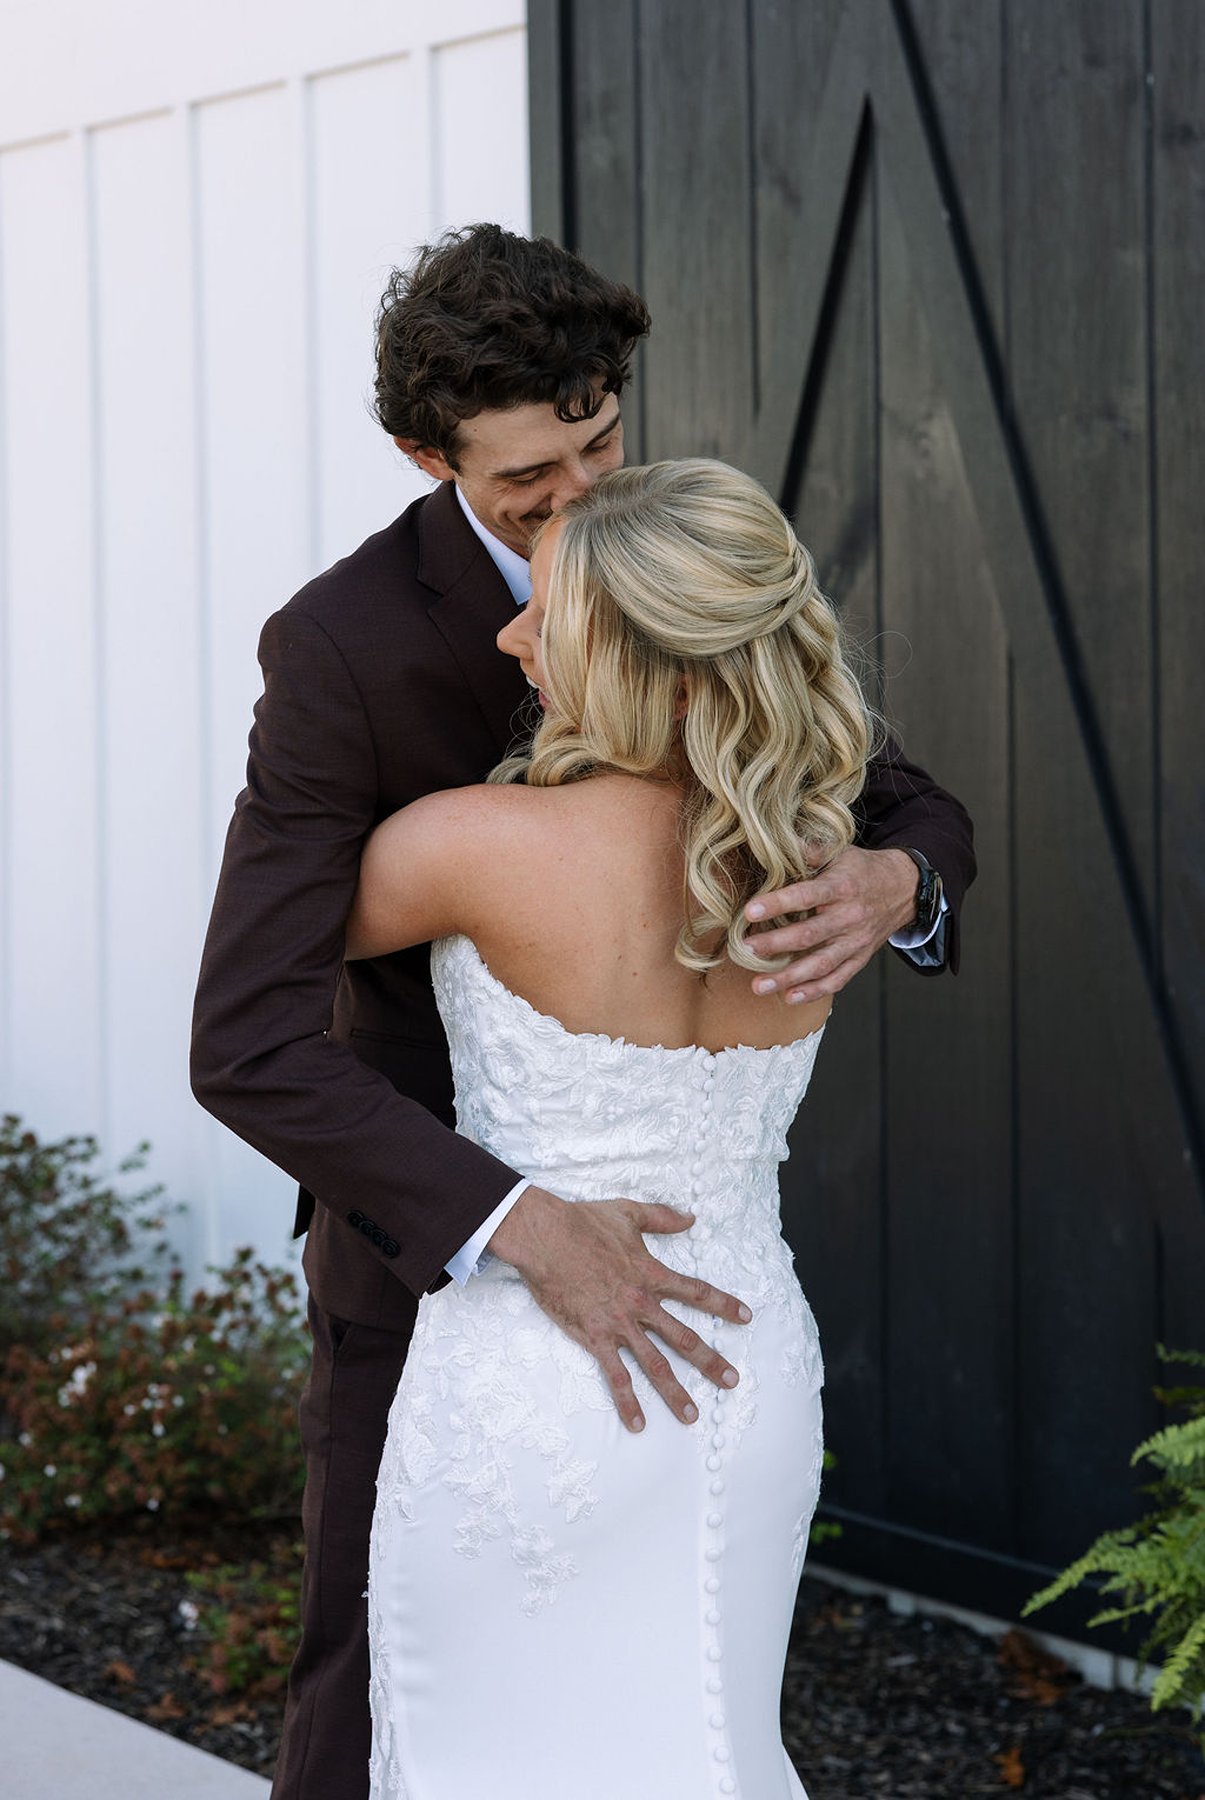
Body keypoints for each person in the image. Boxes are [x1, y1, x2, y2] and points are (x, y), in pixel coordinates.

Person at [190, 225, 975, 1800]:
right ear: (428, 457)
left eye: (597, 443)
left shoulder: (673, 554)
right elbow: (249, 1034)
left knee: (670, 1699)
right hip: (436, 1250)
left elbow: (905, 801)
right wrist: (517, 1222)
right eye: (523, 487)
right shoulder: (339, 648)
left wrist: (898, 881)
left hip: (707, 1288)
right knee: (372, 1693)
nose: (574, 504)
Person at [349, 457, 877, 1797]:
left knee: (491, 1760)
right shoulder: (825, 865)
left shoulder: (461, 845)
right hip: (743, 1368)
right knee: (708, 1743)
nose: (509, 631)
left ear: (659, 663)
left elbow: (266, 962)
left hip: (530, 1381)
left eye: (553, 615)